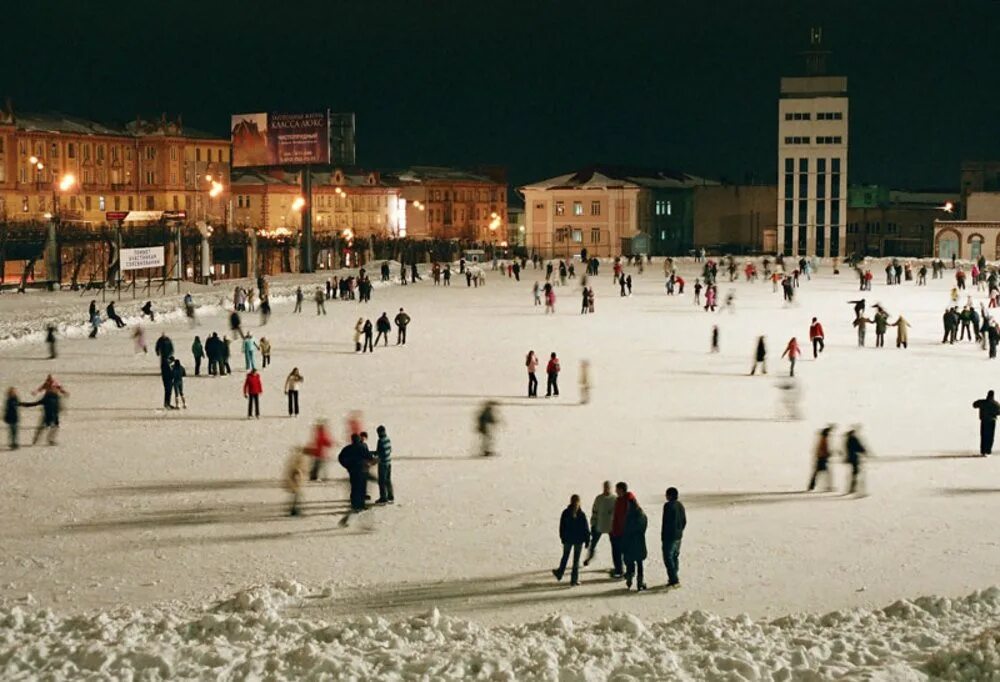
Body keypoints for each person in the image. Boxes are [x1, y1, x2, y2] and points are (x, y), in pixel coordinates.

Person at [552, 494, 590, 586]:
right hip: (578, 540)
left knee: (565, 557)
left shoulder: (565, 513)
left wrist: (562, 537)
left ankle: (560, 573)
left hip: (568, 539)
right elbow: (585, 529)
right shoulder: (581, 514)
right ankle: (574, 580)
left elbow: (562, 527)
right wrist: (587, 540)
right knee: (576, 561)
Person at [23, 376, 67, 446]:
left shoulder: (55, 395)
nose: (53, 389)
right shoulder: (48, 397)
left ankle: (49, 440)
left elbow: (60, 392)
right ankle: (37, 440)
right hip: (48, 414)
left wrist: (61, 408)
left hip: (54, 414)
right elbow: (36, 401)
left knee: (54, 427)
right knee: (44, 427)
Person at [584, 481, 616, 567]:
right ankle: (589, 557)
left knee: (615, 546)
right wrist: (593, 523)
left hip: (611, 527)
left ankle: (618, 565)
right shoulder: (599, 498)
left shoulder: (614, 499)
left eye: (608, 487)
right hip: (599, 525)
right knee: (593, 543)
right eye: (605, 487)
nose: (606, 489)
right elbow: (595, 511)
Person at [622, 494, 648, 591]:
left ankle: (629, 579)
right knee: (640, 563)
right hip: (639, 542)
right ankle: (640, 582)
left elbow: (625, 529)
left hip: (629, 542)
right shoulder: (641, 515)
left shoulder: (628, 516)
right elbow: (644, 527)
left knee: (629, 562)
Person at [661, 487, 687, 588]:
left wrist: (664, 536)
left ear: (670, 495)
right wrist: (680, 531)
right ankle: (674, 576)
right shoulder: (680, 505)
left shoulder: (668, 506)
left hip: (669, 537)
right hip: (678, 536)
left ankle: (674, 579)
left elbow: (666, 523)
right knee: (675, 557)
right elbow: (684, 520)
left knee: (668, 558)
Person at [608, 482, 630, 578]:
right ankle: (619, 569)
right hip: (616, 531)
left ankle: (623, 571)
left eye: (617, 489)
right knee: (617, 551)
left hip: (623, 532)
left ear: (621, 490)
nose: (615, 491)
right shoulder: (619, 500)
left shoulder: (627, 501)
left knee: (622, 552)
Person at [283, 446, 310, 516]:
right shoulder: (299, 459)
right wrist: (299, 478)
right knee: (297, 497)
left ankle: (294, 510)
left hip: (296, 482)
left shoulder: (294, 459)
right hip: (296, 482)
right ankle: (295, 511)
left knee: (296, 497)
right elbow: (297, 470)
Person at [972, 390, 1000, 456]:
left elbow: (974, 405)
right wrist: (993, 413)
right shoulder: (996, 403)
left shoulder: (983, 402)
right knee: (990, 437)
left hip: (984, 421)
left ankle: (983, 451)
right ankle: (988, 451)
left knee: (984, 436)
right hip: (992, 421)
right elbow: (999, 412)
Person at [808, 426, 834, 491]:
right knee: (826, 473)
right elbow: (823, 449)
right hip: (822, 458)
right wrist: (828, 453)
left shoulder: (822, 438)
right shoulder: (824, 439)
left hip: (821, 457)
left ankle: (811, 486)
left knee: (817, 473)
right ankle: (828, 486)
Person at [375, 425, 394, 504]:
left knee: (382, 481)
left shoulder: (381, 440)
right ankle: (390, 496)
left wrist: (375, 455)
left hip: (383, 464)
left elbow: (380, 452)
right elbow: (390, 450)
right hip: (389, 462)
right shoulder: (388, 439)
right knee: (388, 480)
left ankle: (383, 497)